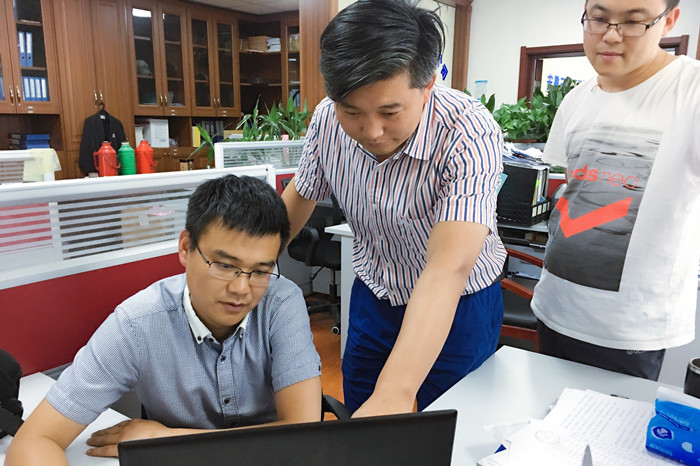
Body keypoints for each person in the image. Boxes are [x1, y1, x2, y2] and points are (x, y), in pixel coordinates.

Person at [282, 0, 506, 417]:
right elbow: (299, 196)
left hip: (461, 300)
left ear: (428, 85)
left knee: (450, 421)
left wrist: (397, 391)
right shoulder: (327, 120)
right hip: (377, 288)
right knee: (364, 411)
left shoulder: (468, 130)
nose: (371, 132)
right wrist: (247, 266)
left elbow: (448, 267)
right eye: (351, 111)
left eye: (390, 111)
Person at [7, 175, 322, 463]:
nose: (242, 289)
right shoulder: (137, 325)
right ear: (186, 248)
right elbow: (36, 439)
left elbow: (303, 436)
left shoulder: (281, 303)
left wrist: (169, 440)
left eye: (261, 271)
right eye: (225, 266)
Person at [531, 0, 700, 380]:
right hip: (554, 307)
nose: (610, 35)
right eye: (599, 19)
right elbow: (574, 189)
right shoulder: (577, 99)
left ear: (668, 21)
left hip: (626, 328)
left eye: (633, 22)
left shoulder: (690, 90)